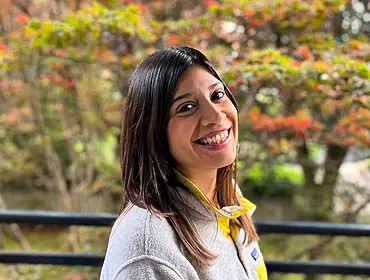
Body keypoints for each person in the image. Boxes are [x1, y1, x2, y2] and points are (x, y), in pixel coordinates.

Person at [100, 46, 268, 280]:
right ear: (154, 132)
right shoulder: (147, 250)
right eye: (186, 107)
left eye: (217, 95)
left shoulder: (228, 199)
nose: (216, 116)